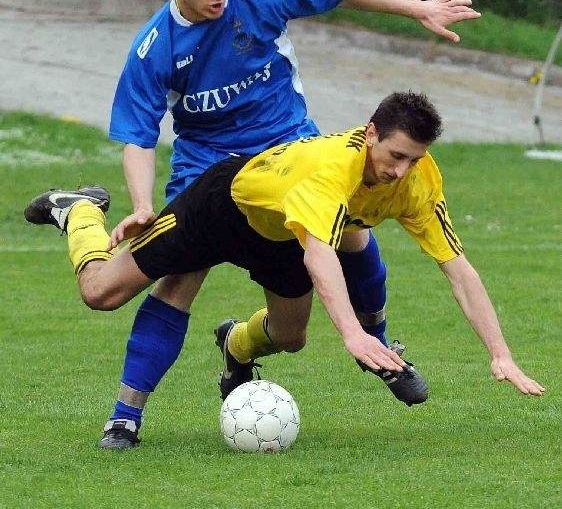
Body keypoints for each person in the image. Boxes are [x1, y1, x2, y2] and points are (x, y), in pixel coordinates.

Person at [102, 0, 482, 448]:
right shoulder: (155, 48)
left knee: (342, 251)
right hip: (208, 173)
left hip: (293, 154)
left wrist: (419, 8)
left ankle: (377, 345)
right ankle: (125, 415)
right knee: (181, 278)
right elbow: (139, 135)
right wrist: (142, 203)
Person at [25, 91, 545, 450]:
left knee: (290, 337)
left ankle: (234, 345)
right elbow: (320, 255)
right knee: (101, 291)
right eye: (395, 155)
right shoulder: (330, 169)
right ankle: (79, 211)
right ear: (370, 135)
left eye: (414, 158)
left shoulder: (417, 183)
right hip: (219, 208)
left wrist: (500, 354)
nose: (400, 170)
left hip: (279, 238)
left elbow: (458, 269)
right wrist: (354, 335)